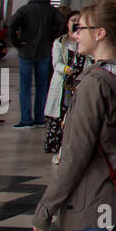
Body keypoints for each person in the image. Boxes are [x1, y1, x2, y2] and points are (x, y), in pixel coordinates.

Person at [32, 0, 116, 231]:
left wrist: (46, 207)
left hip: (92, 200)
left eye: (80, 28)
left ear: (100, 33)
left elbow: (75, 155)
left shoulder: (94, 84)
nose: (75, 35)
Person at [9, 0, 65, 129]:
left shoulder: (24, 10)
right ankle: (40, 118)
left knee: (25, 86)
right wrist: (54, 36)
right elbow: (62, 21)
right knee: (42, 86)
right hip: (45, 50)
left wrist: (16, 42)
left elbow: (11, 24)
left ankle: (26, 119)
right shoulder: (51, 10)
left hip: (26, 51)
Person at [45, 11, 89, 158]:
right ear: (67, 23)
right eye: (73, 21)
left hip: (78, 83)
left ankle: (70, 148)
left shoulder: (84, 42)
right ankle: (57, 149)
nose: (76, 24)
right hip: (63, 83)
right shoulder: (60, 42)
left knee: (75, 117)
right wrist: (65, 69)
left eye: (79, 22)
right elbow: (56, 63)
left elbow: (89, 60)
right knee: (60, 115)